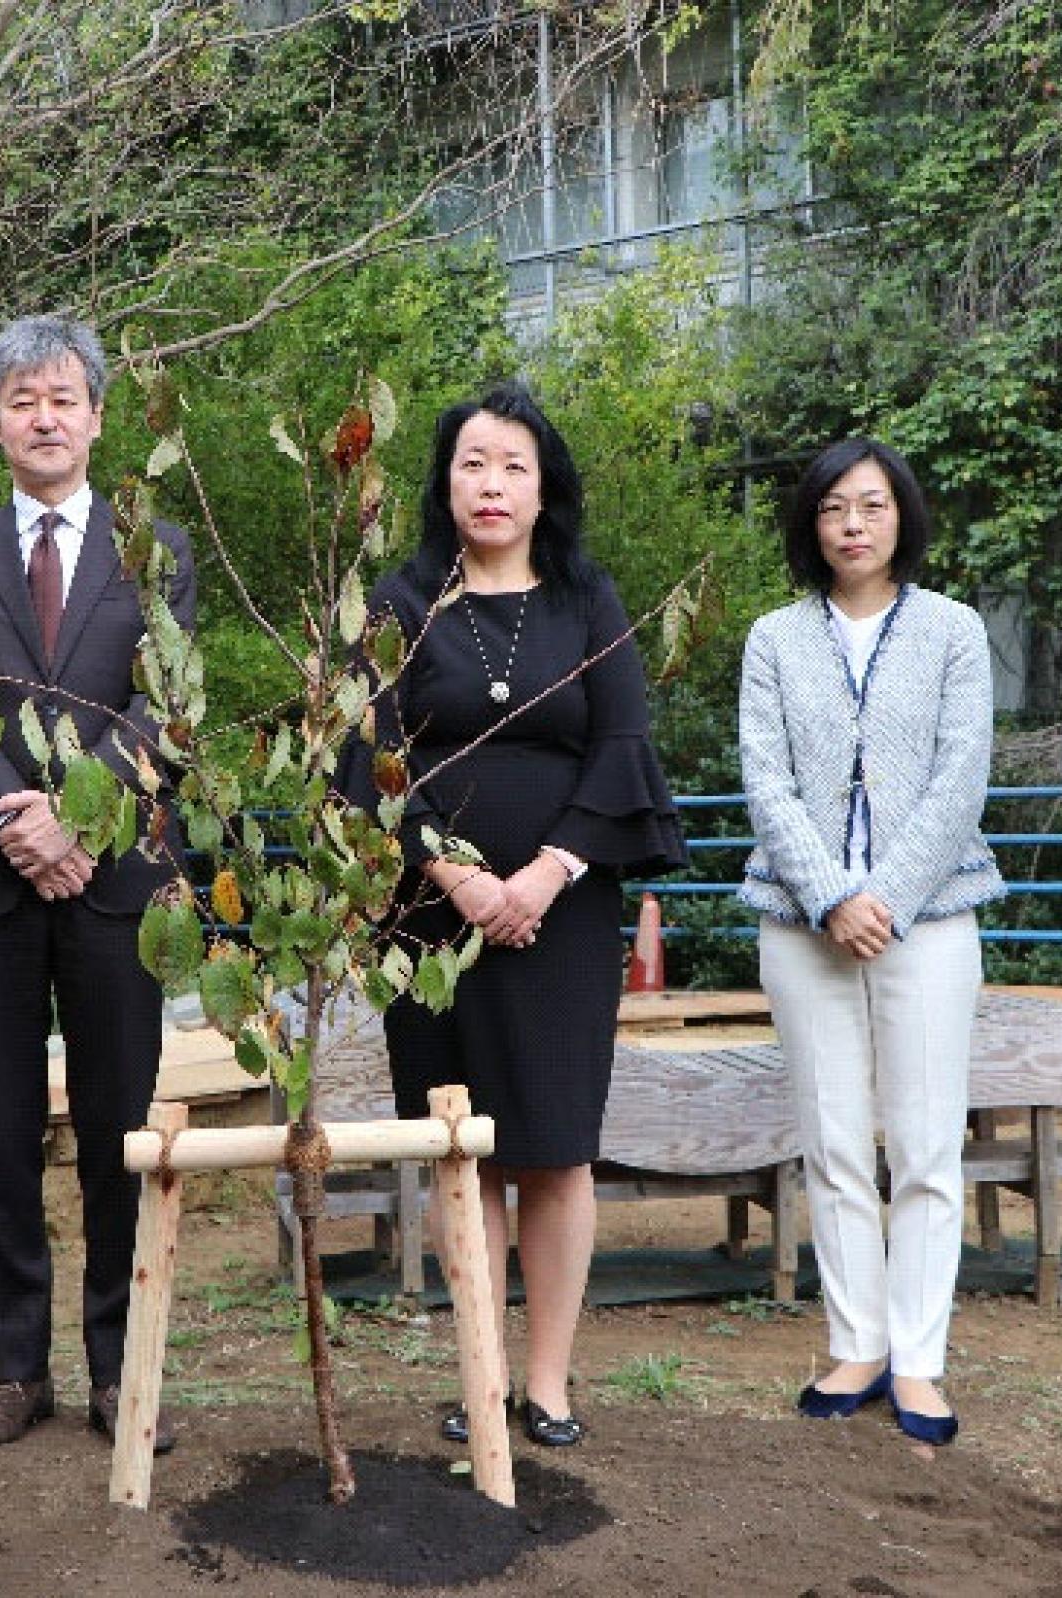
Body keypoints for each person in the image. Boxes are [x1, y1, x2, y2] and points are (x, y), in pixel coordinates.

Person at [360, 381, 685, 1448]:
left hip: (565, 915)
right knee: (469, 1149)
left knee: (553, 1146)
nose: (492, 484)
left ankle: (546, 1382)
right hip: (432, 919)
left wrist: (544, 874)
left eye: (513, 466)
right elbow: (370, 768)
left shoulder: (589, 604)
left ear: (546, 488)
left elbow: (624, 750)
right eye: (472, 463)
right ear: (443, 481)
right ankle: (482, 1375)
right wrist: (458, 877)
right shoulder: (400, 605)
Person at [0, 315, 196, 1451]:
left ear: (98, 417)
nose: (45, 416)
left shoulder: (155, 546)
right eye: (22, 398)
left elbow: (165, 701)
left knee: (119, 1127)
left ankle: (120, 1369)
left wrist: (74, 814)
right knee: (4, 1130)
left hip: (116, 877)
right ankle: (16, 1370)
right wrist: (13, 818)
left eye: (64, 396)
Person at [735, 438, 1003, 1447]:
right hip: (802, 925)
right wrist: (832, 895)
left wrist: (883, 896)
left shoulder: (952, 630)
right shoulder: (775, 637)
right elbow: (767, 781)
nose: (853, 523)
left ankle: (921, 1358)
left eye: (873, 505)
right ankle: (856, 1339)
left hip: (928, 921)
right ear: (812, 524)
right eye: (835, 507)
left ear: (904, 517)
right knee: (834, 1139)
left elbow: (958, 776)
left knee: (928, 1142)